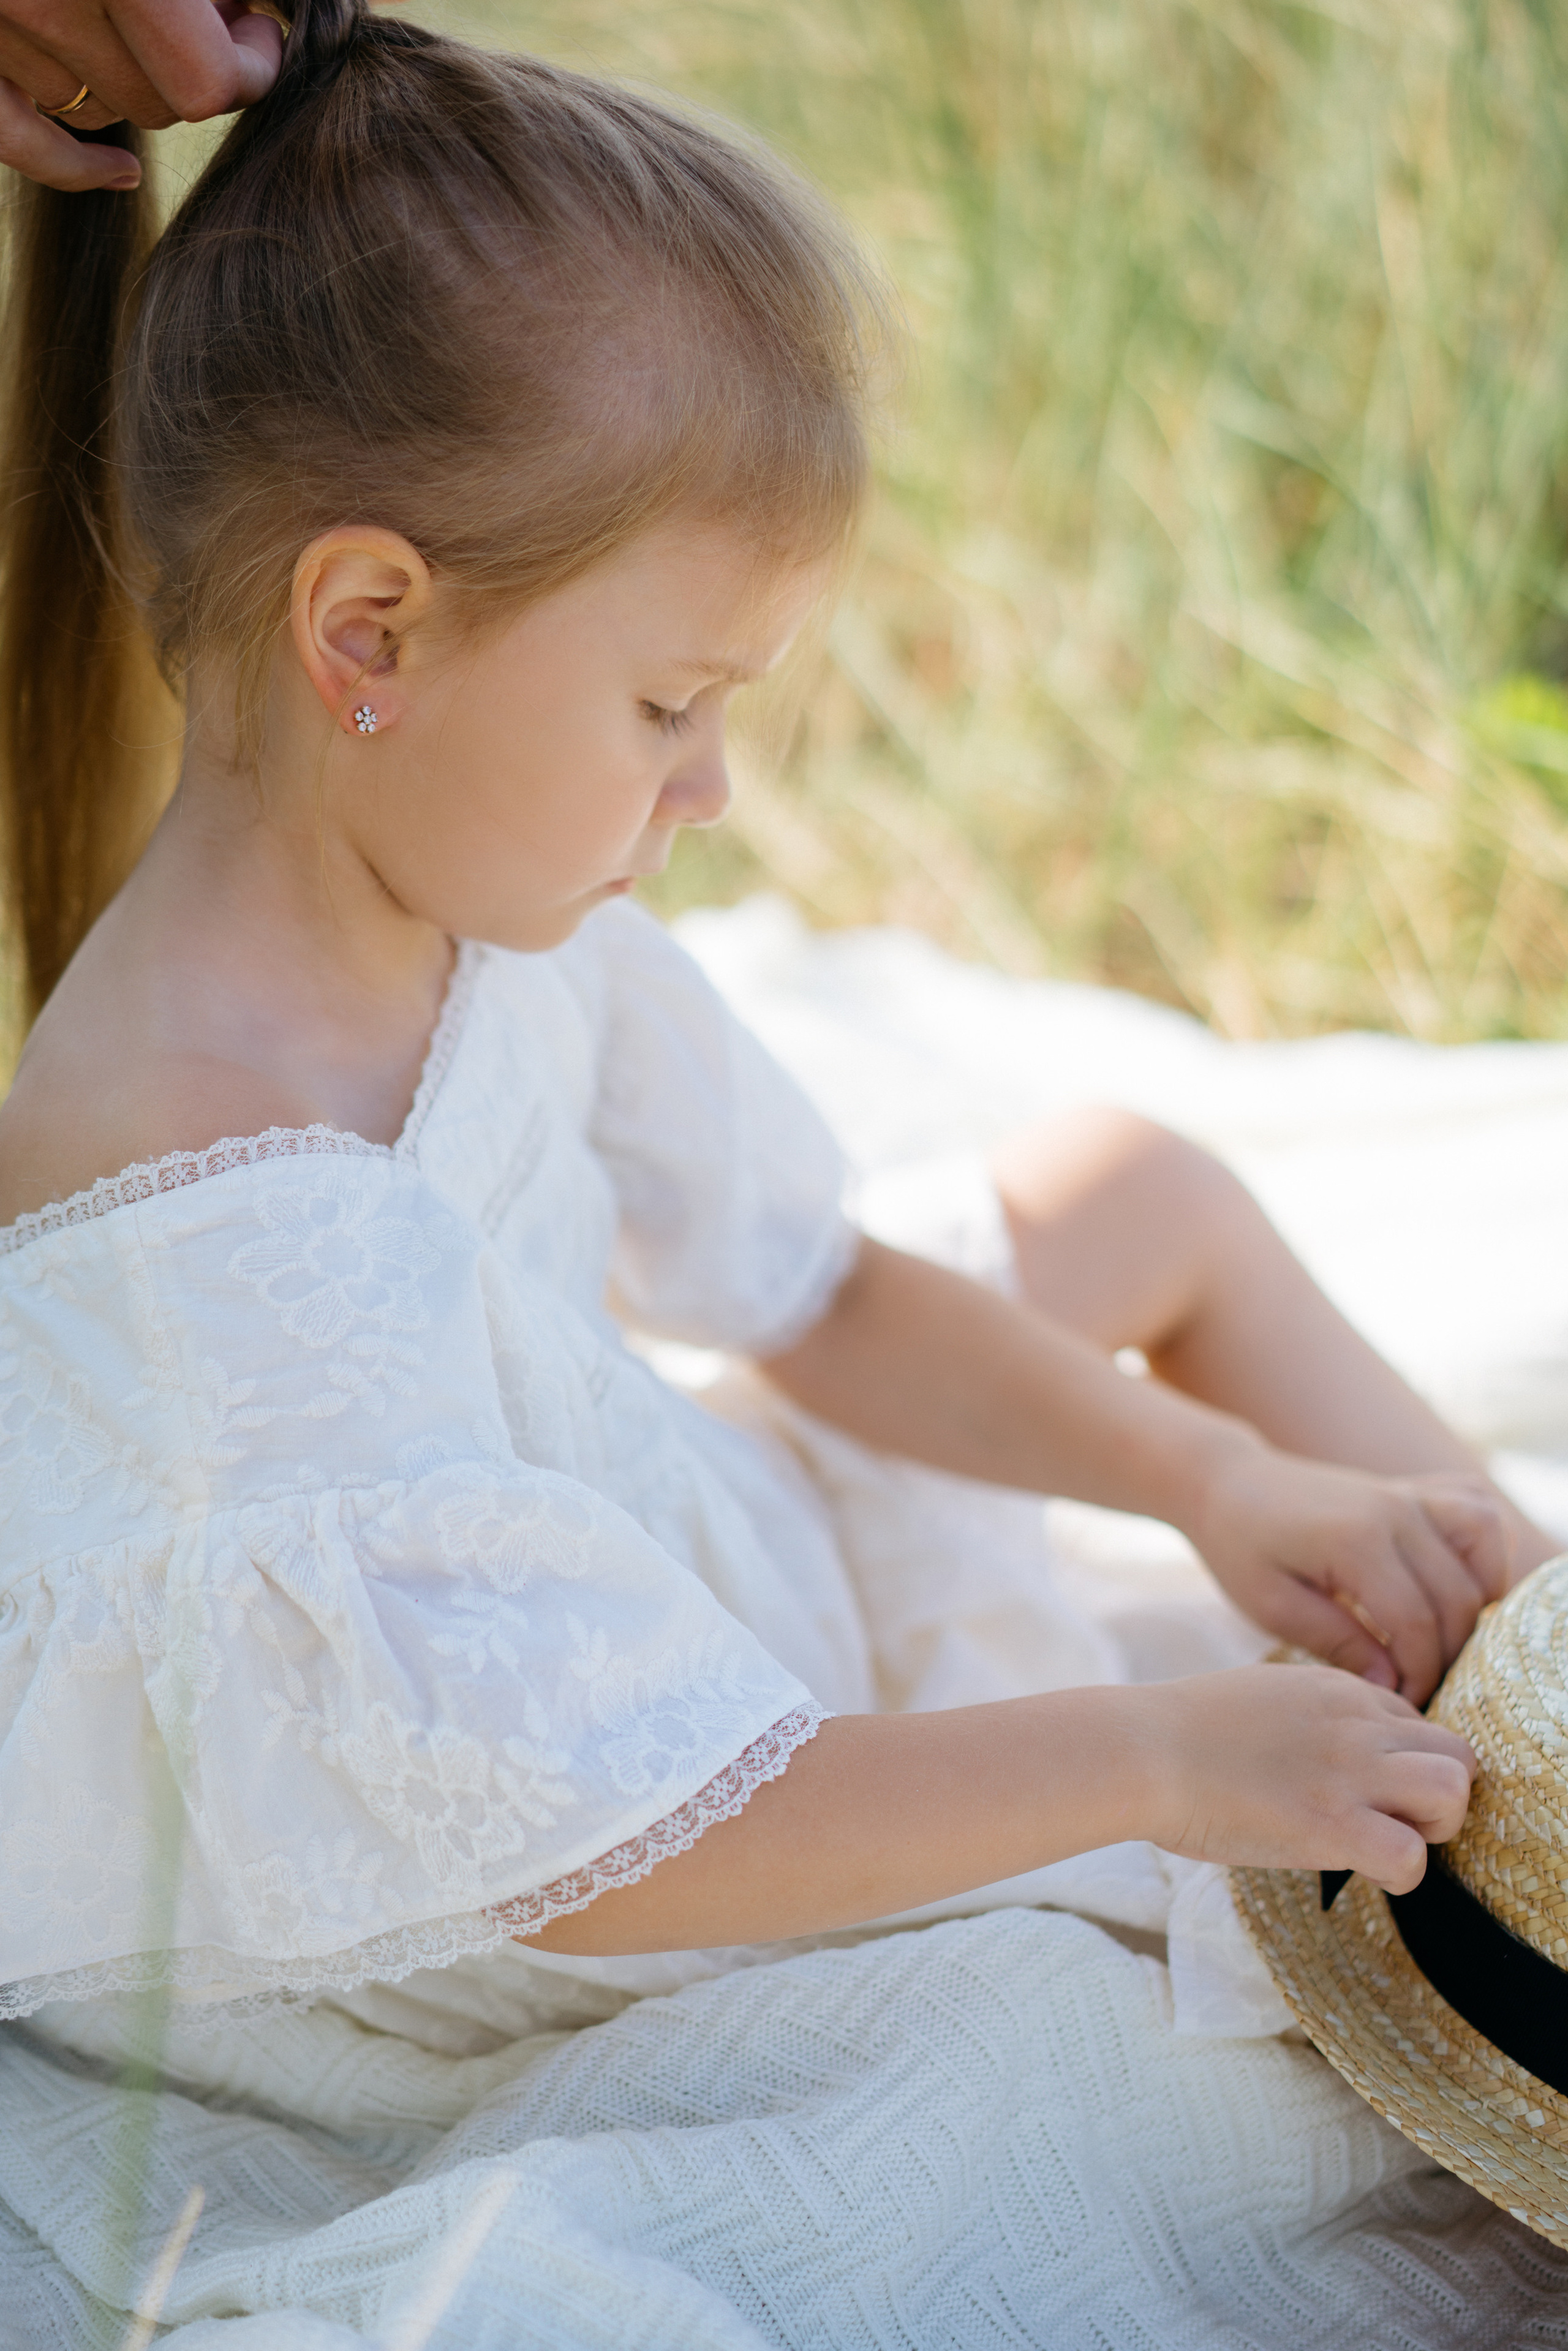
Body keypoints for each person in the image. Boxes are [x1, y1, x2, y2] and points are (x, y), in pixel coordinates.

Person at [0, 6, 1561, 2341]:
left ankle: (1524, 1720)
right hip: (583, 1860)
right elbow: (609, 1844)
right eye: (672, 706)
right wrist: (1151, 1756)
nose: (712, 789)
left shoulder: (455, 903)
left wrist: (1215, 1482)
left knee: (1129, 1182)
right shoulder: (217, 1246)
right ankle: (1485, 1859)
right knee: (1067, 2068)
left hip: (659, 1584)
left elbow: (811, 1284)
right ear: (367, 633)